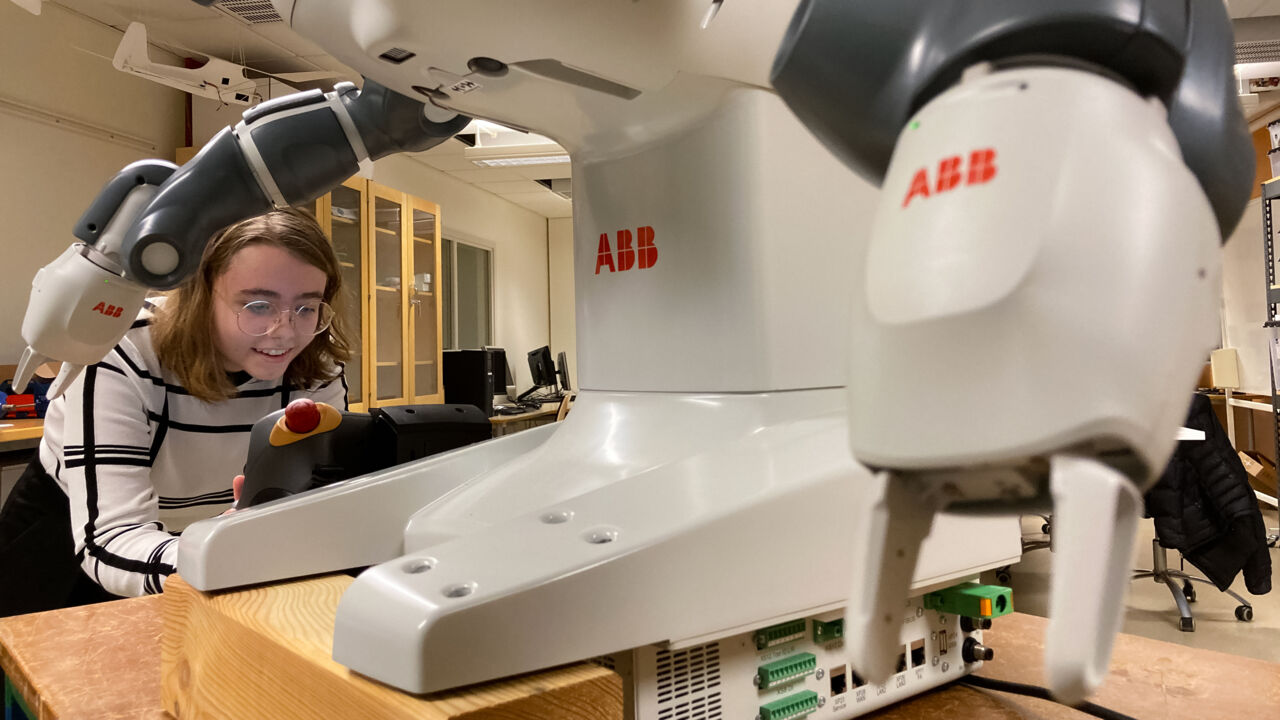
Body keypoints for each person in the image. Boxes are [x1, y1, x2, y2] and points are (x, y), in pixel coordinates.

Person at [0, 209, 353, 616]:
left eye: (307, 308)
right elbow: (111, 536)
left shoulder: (317, 369)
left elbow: (318, 506)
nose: (286, 332)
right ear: (203, 294)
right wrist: (222, 556)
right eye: (258, 305)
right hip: (74, 535)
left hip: (209, 540)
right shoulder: (120, 349)